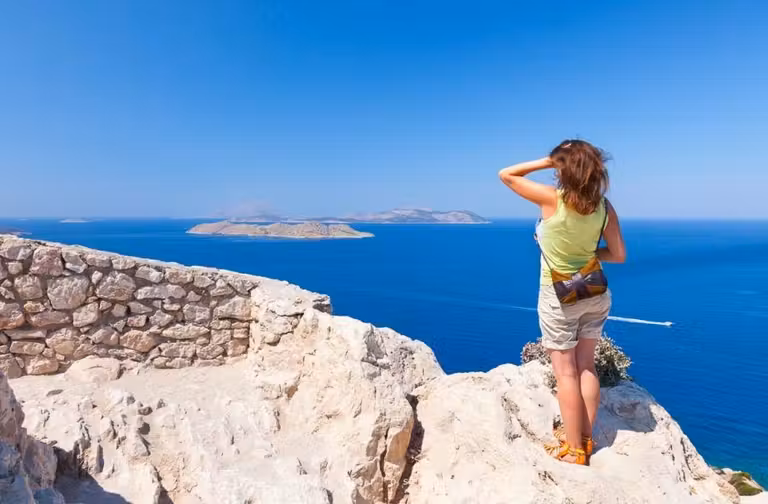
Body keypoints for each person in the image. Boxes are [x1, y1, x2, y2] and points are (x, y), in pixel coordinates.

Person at [498, 140, 626, 465]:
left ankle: (573, 450)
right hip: (594, 291)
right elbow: (619, 255)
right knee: (587, 366)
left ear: (562, 168)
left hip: (559, 296)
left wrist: (548, 160)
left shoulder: (552, 199)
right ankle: (584, 437)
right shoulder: (604, 207)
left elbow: (507, 175)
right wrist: (588, 254)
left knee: (566, 373)